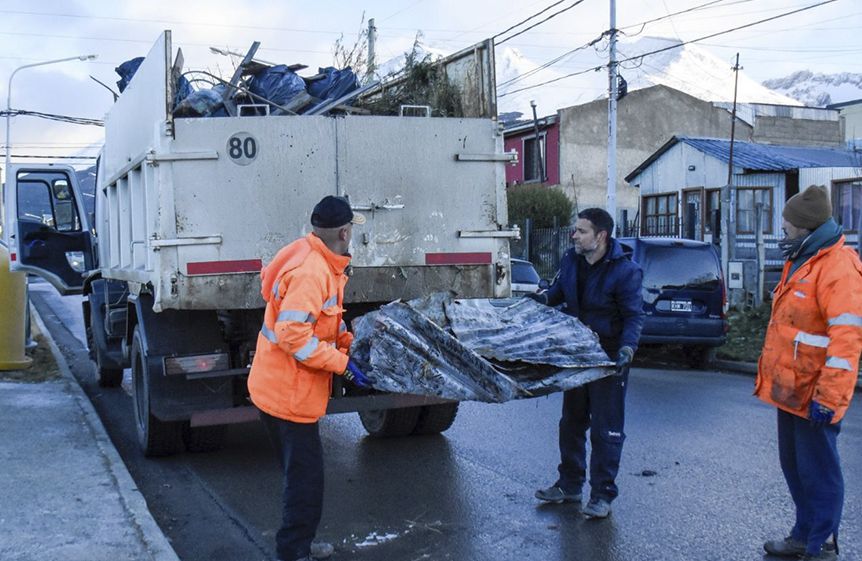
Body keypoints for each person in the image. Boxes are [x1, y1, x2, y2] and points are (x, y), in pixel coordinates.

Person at [248, 195, 374, 561]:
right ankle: (293, 553)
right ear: (345, 232)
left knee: (298, 479)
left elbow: (317, 323)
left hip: (277, 389)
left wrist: (347, 344)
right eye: (352, 231)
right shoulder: (313, 272)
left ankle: (297, 546)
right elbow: (292, 336)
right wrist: (342, 364)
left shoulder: (313, 257)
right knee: (306, 485)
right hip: (288, 396)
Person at [757, 185, 862, 561]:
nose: (782, 234)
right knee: (796, 468)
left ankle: (824, 543)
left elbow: (847, 337)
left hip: (816, 392)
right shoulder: (803, 257)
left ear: (804, 228)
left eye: (786, 228)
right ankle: (804, 535)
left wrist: (830, 397)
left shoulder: (839, 266)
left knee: (819, 472)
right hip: (791, 388)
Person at [530, 207, 644, 518]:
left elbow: (634, 316)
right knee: (571, 423)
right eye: (575, 230)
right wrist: (540, 299)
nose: (574, 236)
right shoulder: (571, 261)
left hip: (609, 358)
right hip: (577, 353)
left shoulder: (625, 272)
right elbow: (556, 294)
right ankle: (569, 485)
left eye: (581, 231)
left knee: (605, 429)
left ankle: (602, 495)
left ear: (601, 236)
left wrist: (627, 350)